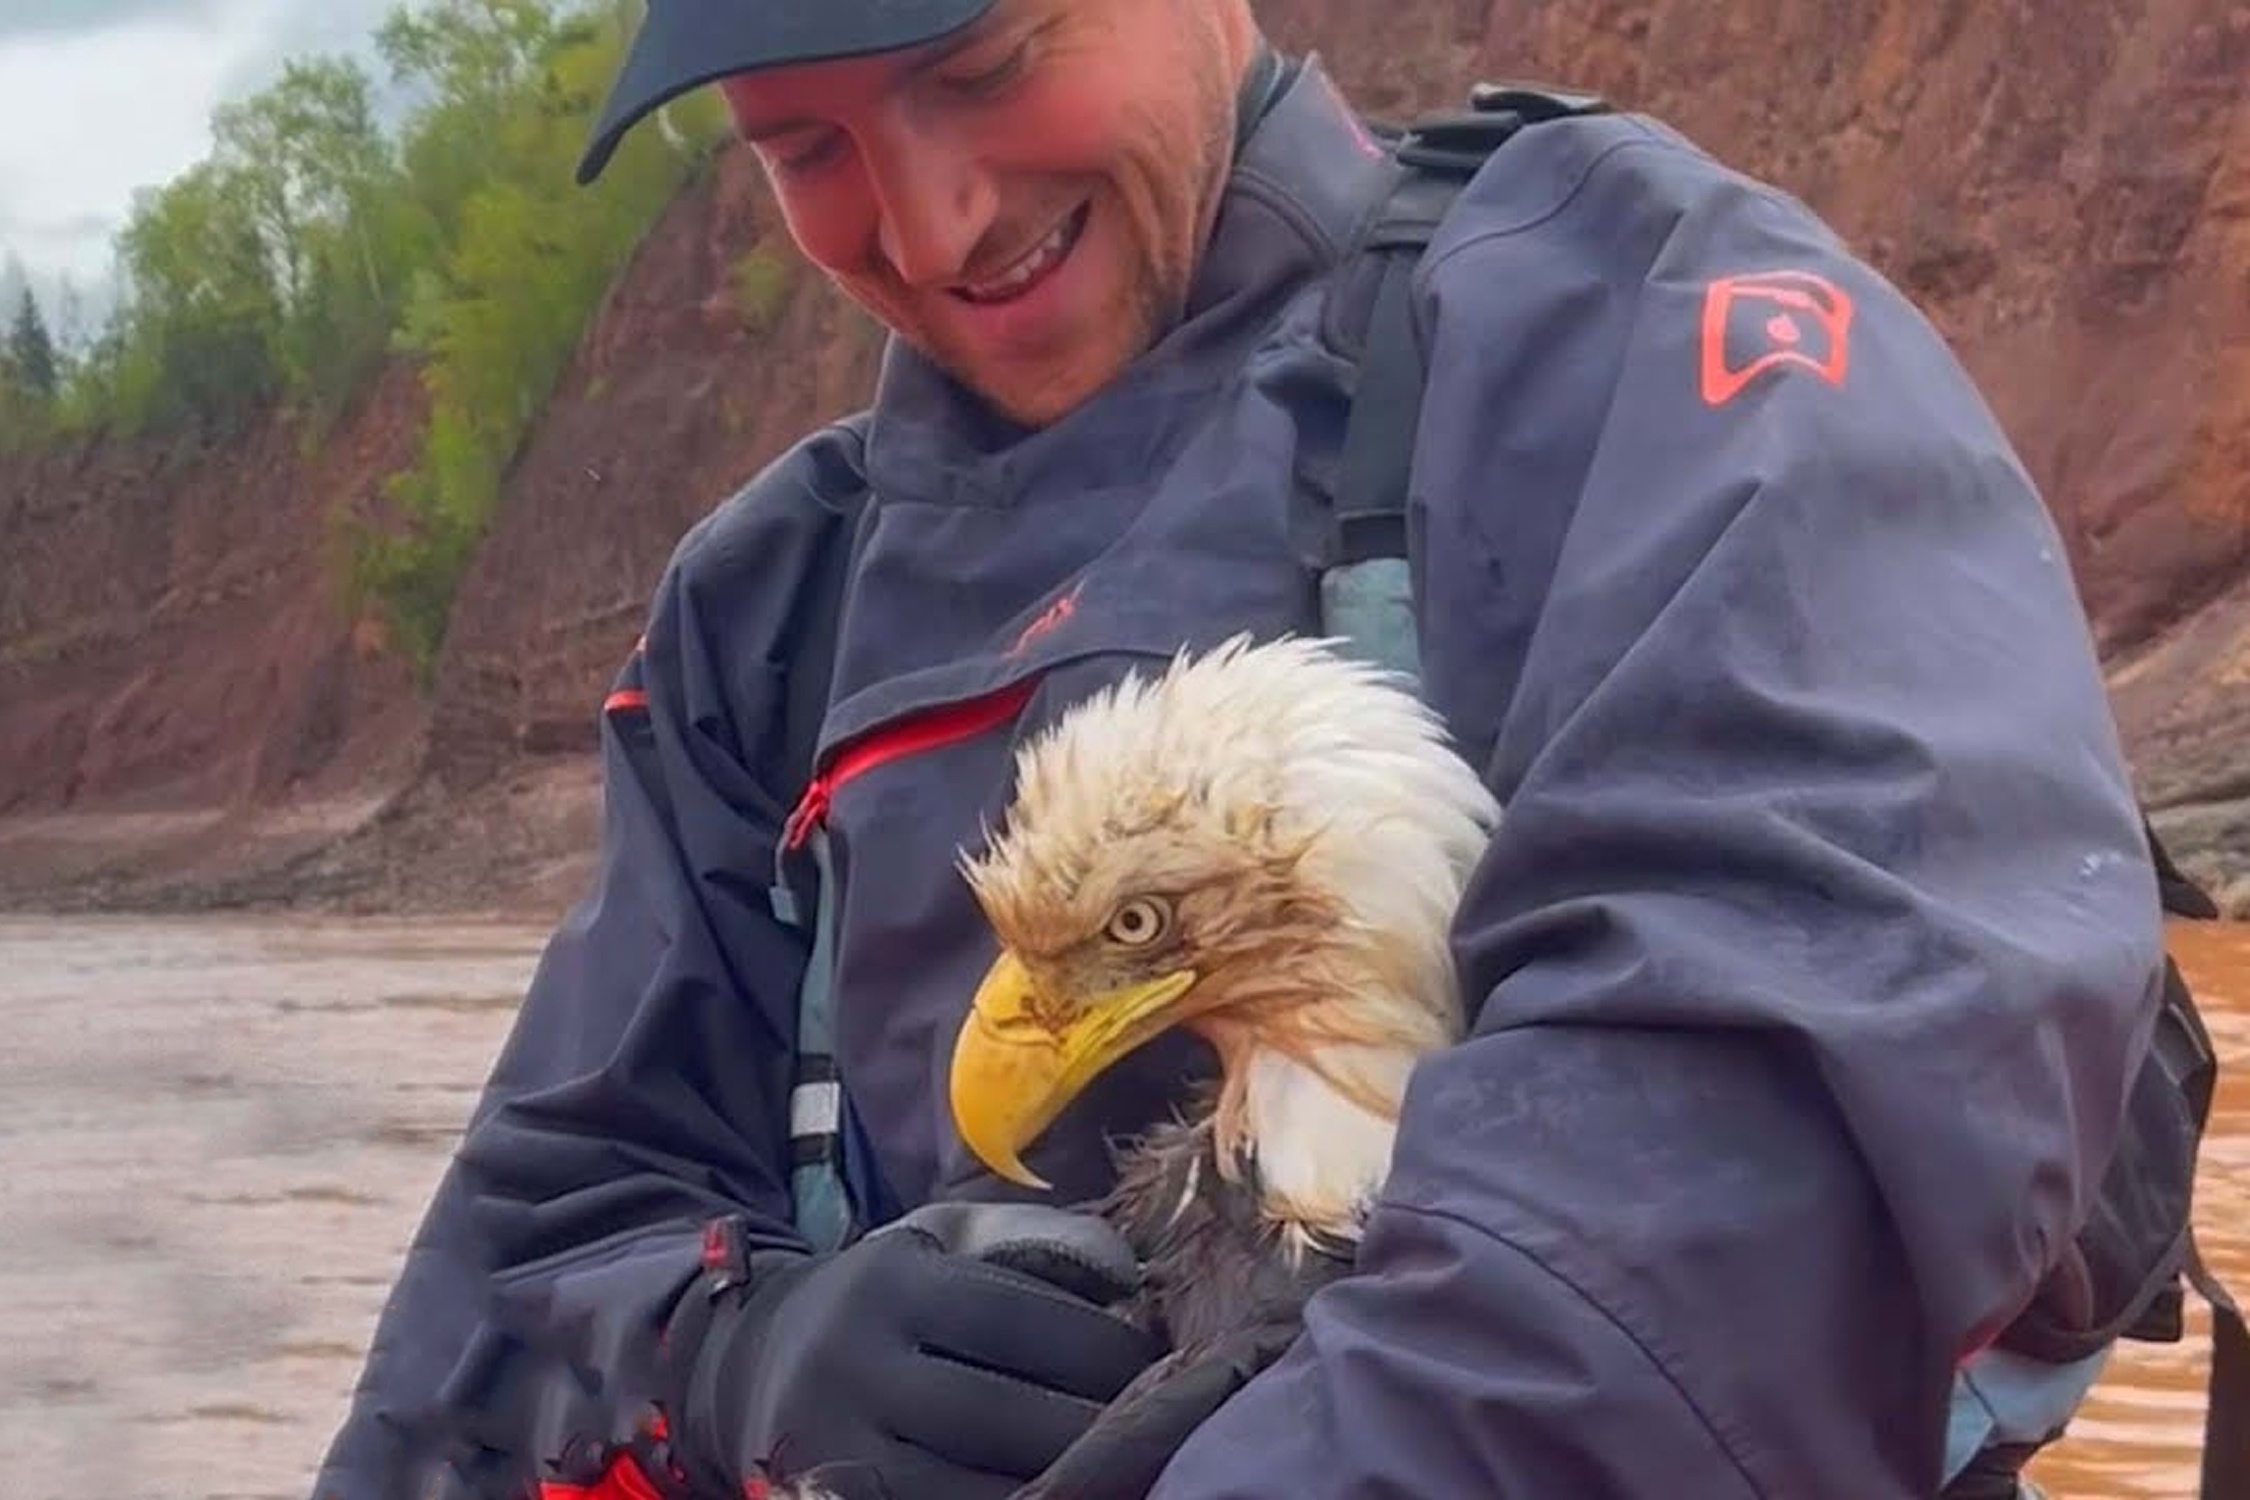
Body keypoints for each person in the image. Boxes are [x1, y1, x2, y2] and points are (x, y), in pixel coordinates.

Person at [309, 1, 2176, 1497]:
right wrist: (730, 1355)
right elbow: (518, 1285)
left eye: (978, 67)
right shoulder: (766, 610)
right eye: (804, 149)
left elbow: (1777, 1130)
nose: (930, 217)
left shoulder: (1634, 331)